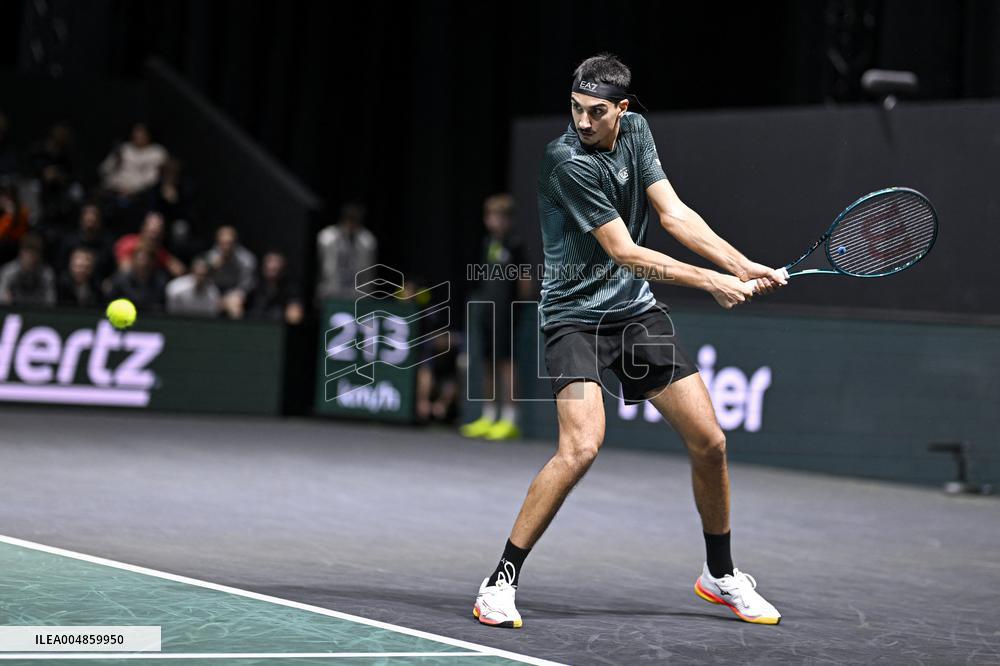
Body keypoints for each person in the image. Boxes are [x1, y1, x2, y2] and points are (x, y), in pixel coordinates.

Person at [472, 53, 789, 629]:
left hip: (634, 315)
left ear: (622, 108)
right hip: (572, 319)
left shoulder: (637, 132)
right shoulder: (566, 161)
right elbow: (625, 252)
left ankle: (720, 575)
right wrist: (711, 281)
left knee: (710, 442)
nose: (582, 121)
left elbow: (674, 215)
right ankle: (500, 581)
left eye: (596, 112)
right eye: (575, 108)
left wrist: (740, 264)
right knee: (581, 447)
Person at [460, 194, 532, 440]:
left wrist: (517, 308)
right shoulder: (488, 242)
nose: (493, 221)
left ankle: (510, 419)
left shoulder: (515, 244)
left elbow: (525, 281)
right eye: (490, 216)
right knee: (487, 361)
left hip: (507, 312)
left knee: (507, 363)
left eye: (499, 217)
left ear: (509, 219)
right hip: (486, 311)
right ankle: (488, 415)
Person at [316, 203, 377, 300]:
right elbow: (324, 269)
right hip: (331, 293)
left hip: (357, 295)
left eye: (355, 220)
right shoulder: (327, 237)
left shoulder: (367, 241)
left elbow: (368, 273)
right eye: (348, 219)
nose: (351, 224)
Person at [114, 210, 186, 277]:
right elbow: (125, 270)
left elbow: (179, 270)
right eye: (152, 233)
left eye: (158, 234)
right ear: (143, 228)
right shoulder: (127, 243)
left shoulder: (158, 252)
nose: (154, 237)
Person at [206, 225, 257, 319]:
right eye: (223, 243)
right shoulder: (210, 257)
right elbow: (204, 281)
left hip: (235, 293)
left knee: (235, 306)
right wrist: (214, 267)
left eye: (229, 243)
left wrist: (228, 299)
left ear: (235, 243)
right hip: (213, 292)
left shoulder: (246, 260)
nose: (227, 247)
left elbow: (246, 286)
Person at [244, 251, 303, 324]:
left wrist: (293, 311)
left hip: (279, 325)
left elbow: (295, 309)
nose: (272, 266)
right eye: (269, 262)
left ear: (282, 267)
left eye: (276, 263)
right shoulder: (254, 285)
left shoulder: (290, 288)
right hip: (255, 324)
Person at [106, 243, 167, 311]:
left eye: (147, 260)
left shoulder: (160, 281)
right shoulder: (120, 280)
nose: (143, 264)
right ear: (133, 261)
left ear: (153, 263)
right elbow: (110, 302)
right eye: (140, 260)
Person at [0, 234, 56, 306]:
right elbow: (2, 302)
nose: (31, 260)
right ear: (21, 253)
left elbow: (51, 303)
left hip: (38, 310)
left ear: (40, 256)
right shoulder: (8, 272)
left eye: (34, 255)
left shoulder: (46, 274)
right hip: (15, 311)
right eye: (28, 254)